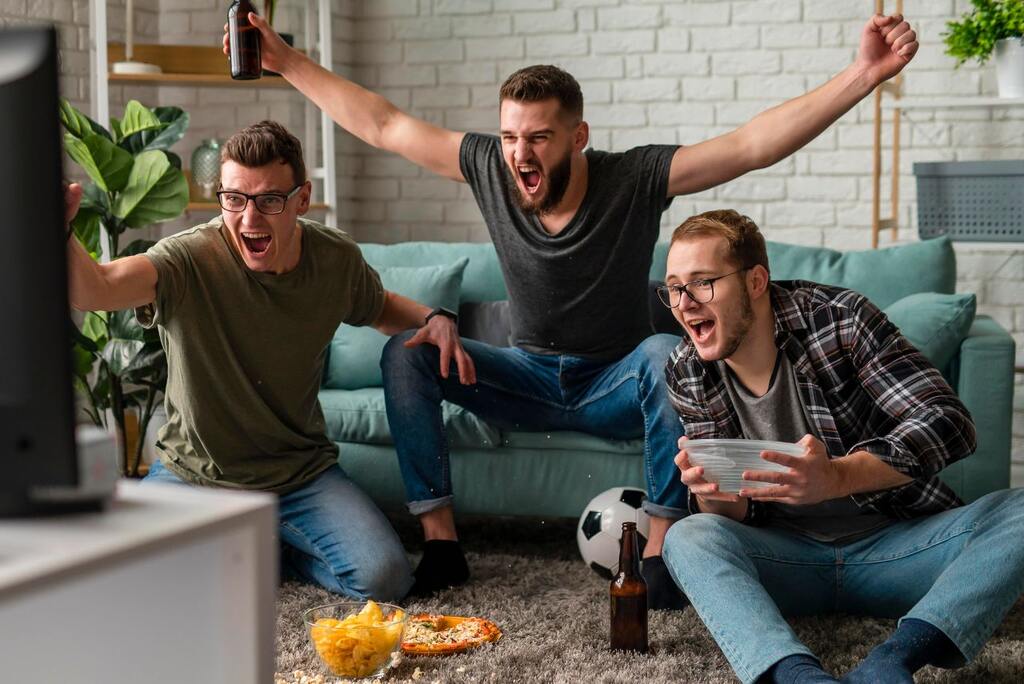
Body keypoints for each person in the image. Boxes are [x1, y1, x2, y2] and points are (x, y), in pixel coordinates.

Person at [224, 11, 921, 605]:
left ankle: (656, 552)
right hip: (524, 376)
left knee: (661, 354)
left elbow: (749, 146)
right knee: (403, 356)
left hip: (610, 381)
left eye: (538, 137)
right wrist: (285, 60)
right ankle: (441, 547)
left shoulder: (635, 178)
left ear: (577, 137)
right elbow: (381, 123)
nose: (519, 153)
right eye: (509, 137)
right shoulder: (492, 169)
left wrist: (862, 76)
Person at [64, 120, 477, 601]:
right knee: (143, 584)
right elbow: (97, 289)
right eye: (234, 198)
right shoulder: (187, 259)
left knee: (384, 580)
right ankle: (255, 546)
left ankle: (265, 547)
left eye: (269, 200)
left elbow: (379, 305)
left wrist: (436, 316)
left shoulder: (333, 259)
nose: (248, 218)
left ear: (301, 199)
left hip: (299, 476)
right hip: (196, 475)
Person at [659, 209, 1024, 683]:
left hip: (895, 547)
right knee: (688, 538)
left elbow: (948, 422)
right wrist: (711, 493)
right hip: (786, 558)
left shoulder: (840, 320)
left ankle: (893, 661)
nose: (685, 303)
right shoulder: (686, 367)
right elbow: (732, 518)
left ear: (755, 281)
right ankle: (797, 676)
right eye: (673, 288)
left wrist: (837, 477)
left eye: (703, 283)